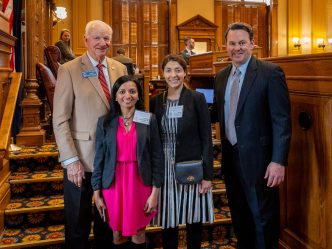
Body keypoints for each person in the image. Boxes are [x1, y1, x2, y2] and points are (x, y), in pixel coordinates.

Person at [211, 22, 291, 249]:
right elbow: (216, 113)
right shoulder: (220, 77)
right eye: (232, 43)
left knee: (263, 220)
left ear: (252, 44)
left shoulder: (270, 73)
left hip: (261, 162)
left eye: (242, 43)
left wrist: (278, 161)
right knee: (240, 217)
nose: (237, 48)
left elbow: (281, 121)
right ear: (225, 46)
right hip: (231, 158)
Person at [52, 20, 127, 249]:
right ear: (86, 40)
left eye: (106, 38)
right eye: (97, 38)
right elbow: (60, 119)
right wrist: (70, 159)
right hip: (81, 160)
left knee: (107, 222)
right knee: (78, 223)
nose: (102, 43)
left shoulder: (119, 68)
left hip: (112, 159)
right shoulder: (69, 69)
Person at [91, 75, 164, 249]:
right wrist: (96, 192)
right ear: (115, 96)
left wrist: (155, 192)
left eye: (132, 91)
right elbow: (99, 159)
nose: (127, 96)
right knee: (117, 233)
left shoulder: (148, 119)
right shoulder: (105, 122)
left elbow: (157, 157)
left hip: (140, 182)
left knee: (139, 232)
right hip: (113, 184)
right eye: (122, 91)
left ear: (139, 95)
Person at [150, 54, 214, 249]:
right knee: (169, 221)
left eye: (178, 70)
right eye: (168, 70)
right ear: (163, 73)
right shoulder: (155, 102)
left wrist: (208, 176)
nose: (173, 75)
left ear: (185, 73)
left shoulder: (196, 98)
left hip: (190, 165)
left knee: (193, 219)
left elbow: (206, 138)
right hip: (165, 169)